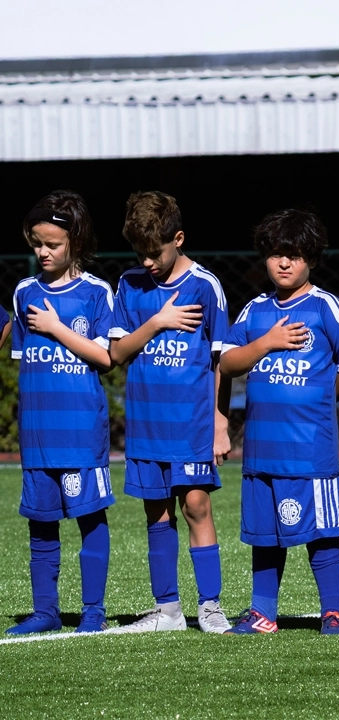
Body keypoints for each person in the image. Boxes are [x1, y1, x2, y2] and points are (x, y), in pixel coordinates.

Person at [219, 209, 339, 635]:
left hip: (310, 448)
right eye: (276, 255)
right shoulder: (255, 311)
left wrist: (325, 393)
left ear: (312, 260)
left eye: (295, 256)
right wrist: (267, 343)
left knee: (323, 532)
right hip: (263, 448)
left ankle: (333, 612)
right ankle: (263, 613)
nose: (284, 264)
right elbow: (228, 363)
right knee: (264, 535)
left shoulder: (325, 308)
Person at [107, 191, 231, 634]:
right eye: (139, 254)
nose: (147, 263)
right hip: (146, 423)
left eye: (154, 253)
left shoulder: (205, 286)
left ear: (178, 238)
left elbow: (222, 361)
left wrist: (220, 422)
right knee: (155, 512)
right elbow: (117, 352)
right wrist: (157, 322)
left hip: (192, 423)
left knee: (196, 504)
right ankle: (168, 610)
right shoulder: (130, 285)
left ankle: (211, 605)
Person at [6, 191, 113, 635]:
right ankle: (45, 611)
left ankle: (93, 611)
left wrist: (55, 327)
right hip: (38, 432)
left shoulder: (96, 293)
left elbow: (105, 357)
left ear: (75, 241)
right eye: (36, 243)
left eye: (52, 244)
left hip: (80, 430)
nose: (42, 252)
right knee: (41, 523)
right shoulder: (23, 292)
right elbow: (22, 361)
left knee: (90, 516)